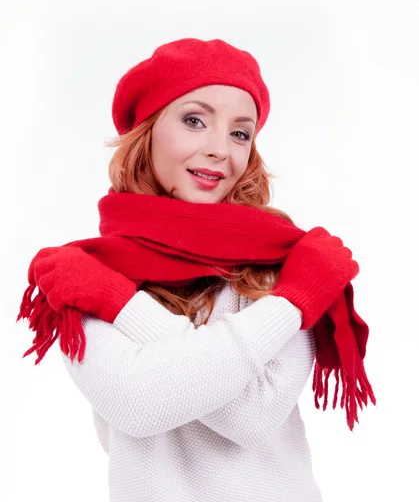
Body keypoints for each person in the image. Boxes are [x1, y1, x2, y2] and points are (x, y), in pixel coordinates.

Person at [17, 38, 375, 502]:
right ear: (147, 131)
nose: (219, 149)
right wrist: (292, 305)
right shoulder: (82, 276)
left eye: (240, 133)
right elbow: (138, 403)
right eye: (194, 120)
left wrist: (122, 307)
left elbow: (253, 415)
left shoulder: (283, 264)